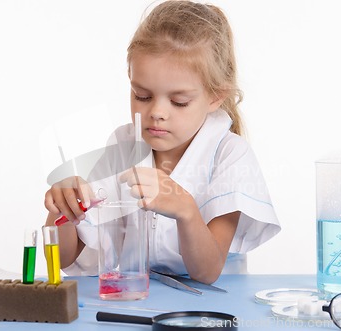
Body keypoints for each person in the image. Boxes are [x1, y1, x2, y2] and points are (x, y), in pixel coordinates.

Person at [44, 0, 280, 284]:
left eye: (179, 102)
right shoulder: (124, 146)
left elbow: (207, 272)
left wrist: (186, 210)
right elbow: (63, 257)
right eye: (142, 96)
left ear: (216, 96)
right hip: (141, 299)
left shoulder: (229, 155)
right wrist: (64, 210)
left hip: (214, 306)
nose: (156, 112)